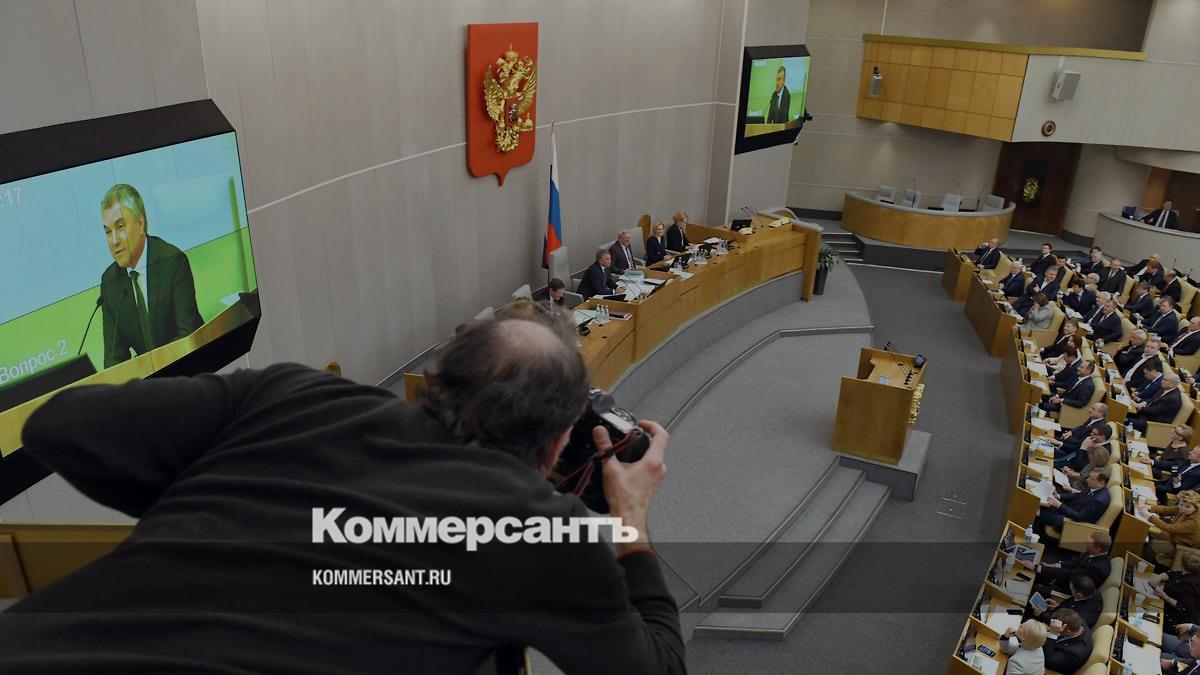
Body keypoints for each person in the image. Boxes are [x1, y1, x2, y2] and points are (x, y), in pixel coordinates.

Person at [0, 306, 686, 673]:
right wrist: (630, 523)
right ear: (561, 441)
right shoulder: (540, 535)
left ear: (436, 380)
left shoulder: (287, 393)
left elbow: (59, 426)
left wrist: (213, 507)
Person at [98, 183, 204, 368]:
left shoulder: (173, 262)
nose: (113, 241)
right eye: (108, 231)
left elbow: (187, 334)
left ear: (140, 224)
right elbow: (114, 359)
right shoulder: (110, 282)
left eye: (120, 227)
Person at [1022, 531, 1112, 593]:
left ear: (1098, 548)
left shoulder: (1097, 569)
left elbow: (1069, 574)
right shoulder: (1093, 552)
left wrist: (1037, 568)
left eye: (1089, 543)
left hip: (1067, 589)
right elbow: (1074, 563)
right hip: (1064, 578)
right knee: (1031, 571)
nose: (1086, 543)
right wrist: (1053, 565)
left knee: (1033, 588)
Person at [1034, 467, 1110, 535]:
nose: (1087, 480)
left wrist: (1059, 505)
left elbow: (1080, 517)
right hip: (1067, 510)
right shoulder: (1094, 487)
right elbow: (1077, 495)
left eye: (1091, 479)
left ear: (1101, 483)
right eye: (1089, 477)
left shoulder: (1098, 501)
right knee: (1038, 503)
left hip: (1069, 523)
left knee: (1036, 512)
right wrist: (1059, 496)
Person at [1143, 491, 1200, 567]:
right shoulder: (1183, 508)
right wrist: (1150, 508)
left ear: (1195, 508)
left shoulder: (1194, 522)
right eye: (1181, 504)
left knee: (1153, 544)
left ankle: (1149, 565)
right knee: (1150, 533)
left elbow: (1169, 528)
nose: (1183, 508)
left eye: (1188, 507)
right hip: (1175, 536)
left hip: (1182, 546)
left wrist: (1149, 517)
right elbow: (1167, 509)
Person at [1030, 576, 1101, 629]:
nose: (1071, 592)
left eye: (1072, 590)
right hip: (1059, 615)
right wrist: (1058, 606)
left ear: (1079, 595)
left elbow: (1061, 625)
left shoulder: (1079, 616)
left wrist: (1041, 614)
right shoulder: (1091, 591)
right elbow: (1072, 603)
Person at [1151, 553, 1200, 630]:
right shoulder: (1190, 574)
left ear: (1182, 564)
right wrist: (1159, 577)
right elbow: (1173, 574)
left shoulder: (1190, 586)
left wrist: (1164, 596)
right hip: (1167, 607)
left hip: (1176, 620)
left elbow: (1183, 607)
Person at [1061, 426, 1112, 491]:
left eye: (1091, 458)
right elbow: (1083, 476)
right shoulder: (1092, 463)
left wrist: (1071, 488)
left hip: (1074, 489)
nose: (1091, 434)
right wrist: (1071, 472)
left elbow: (1086, 487)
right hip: (1072, 482)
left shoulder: (1099, 472)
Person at [1041, 609, 1091, 674]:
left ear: (1068, 632)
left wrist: (1053, 634)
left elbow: (1048, 660)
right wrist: (1041, 614)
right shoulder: (1077, 622)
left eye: (1058, 628)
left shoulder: (1075, 653)